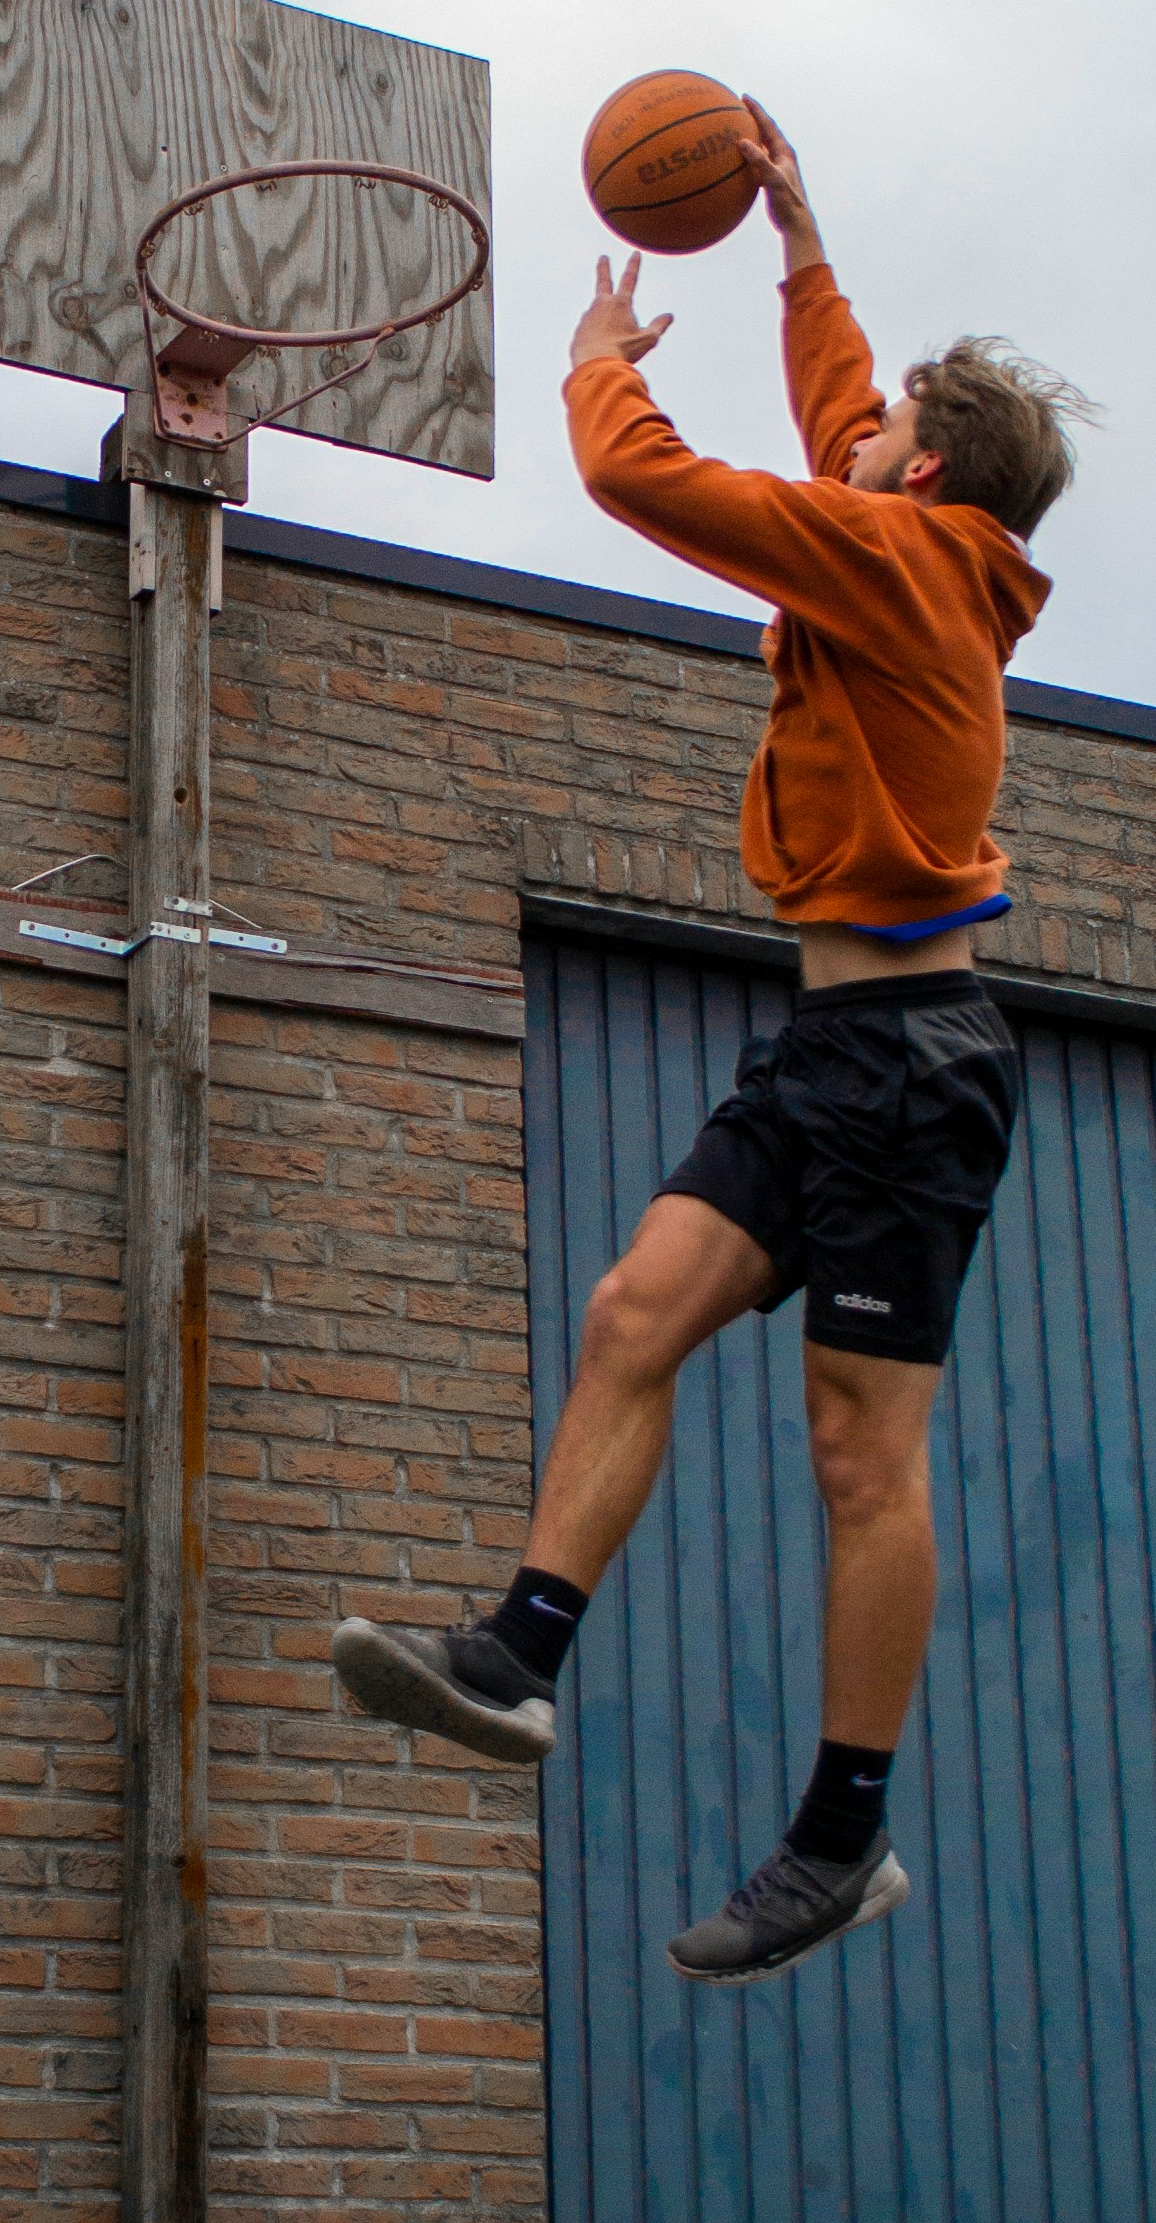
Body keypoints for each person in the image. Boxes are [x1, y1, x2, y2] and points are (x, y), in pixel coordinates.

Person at [332, 103, 1088, 1981]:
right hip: (829, 1048)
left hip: (915, 1063)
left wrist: (595, 372)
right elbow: (840, 402)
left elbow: (653, 487)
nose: (860, 429)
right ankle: (514, 1660)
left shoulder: (901, 566)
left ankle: (841, 1836)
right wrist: (798, 242)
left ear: (927, 479)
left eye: (889, 429)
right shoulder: (907, 529)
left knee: (859, 1451)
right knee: (632, 1315)